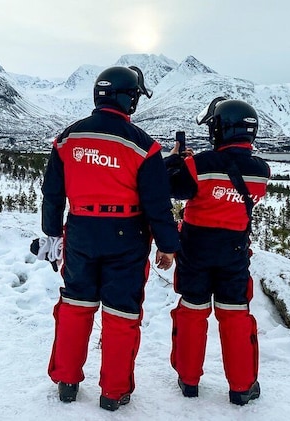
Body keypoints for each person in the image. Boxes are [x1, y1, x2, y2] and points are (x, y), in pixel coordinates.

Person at [39, 65, 180, 411]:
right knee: (121, 315)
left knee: (75, 306)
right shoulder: (144, 147)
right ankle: (114, 392)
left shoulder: (67, 138)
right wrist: (168, 246)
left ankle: (67, 381)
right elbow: (157, 205)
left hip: (81, 232)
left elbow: (52, 194)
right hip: (126, 237)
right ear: (128, 99)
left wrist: (52, 235)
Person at [165, 96, 270, 406]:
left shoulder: (201, 164)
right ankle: (241, 386)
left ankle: (188, 380)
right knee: (235, 316)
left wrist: (176, 160)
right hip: (234, 251)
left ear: (220, 130)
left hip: (196, 247)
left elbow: (174, 186)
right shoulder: (261, 171)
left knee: (192, 313)